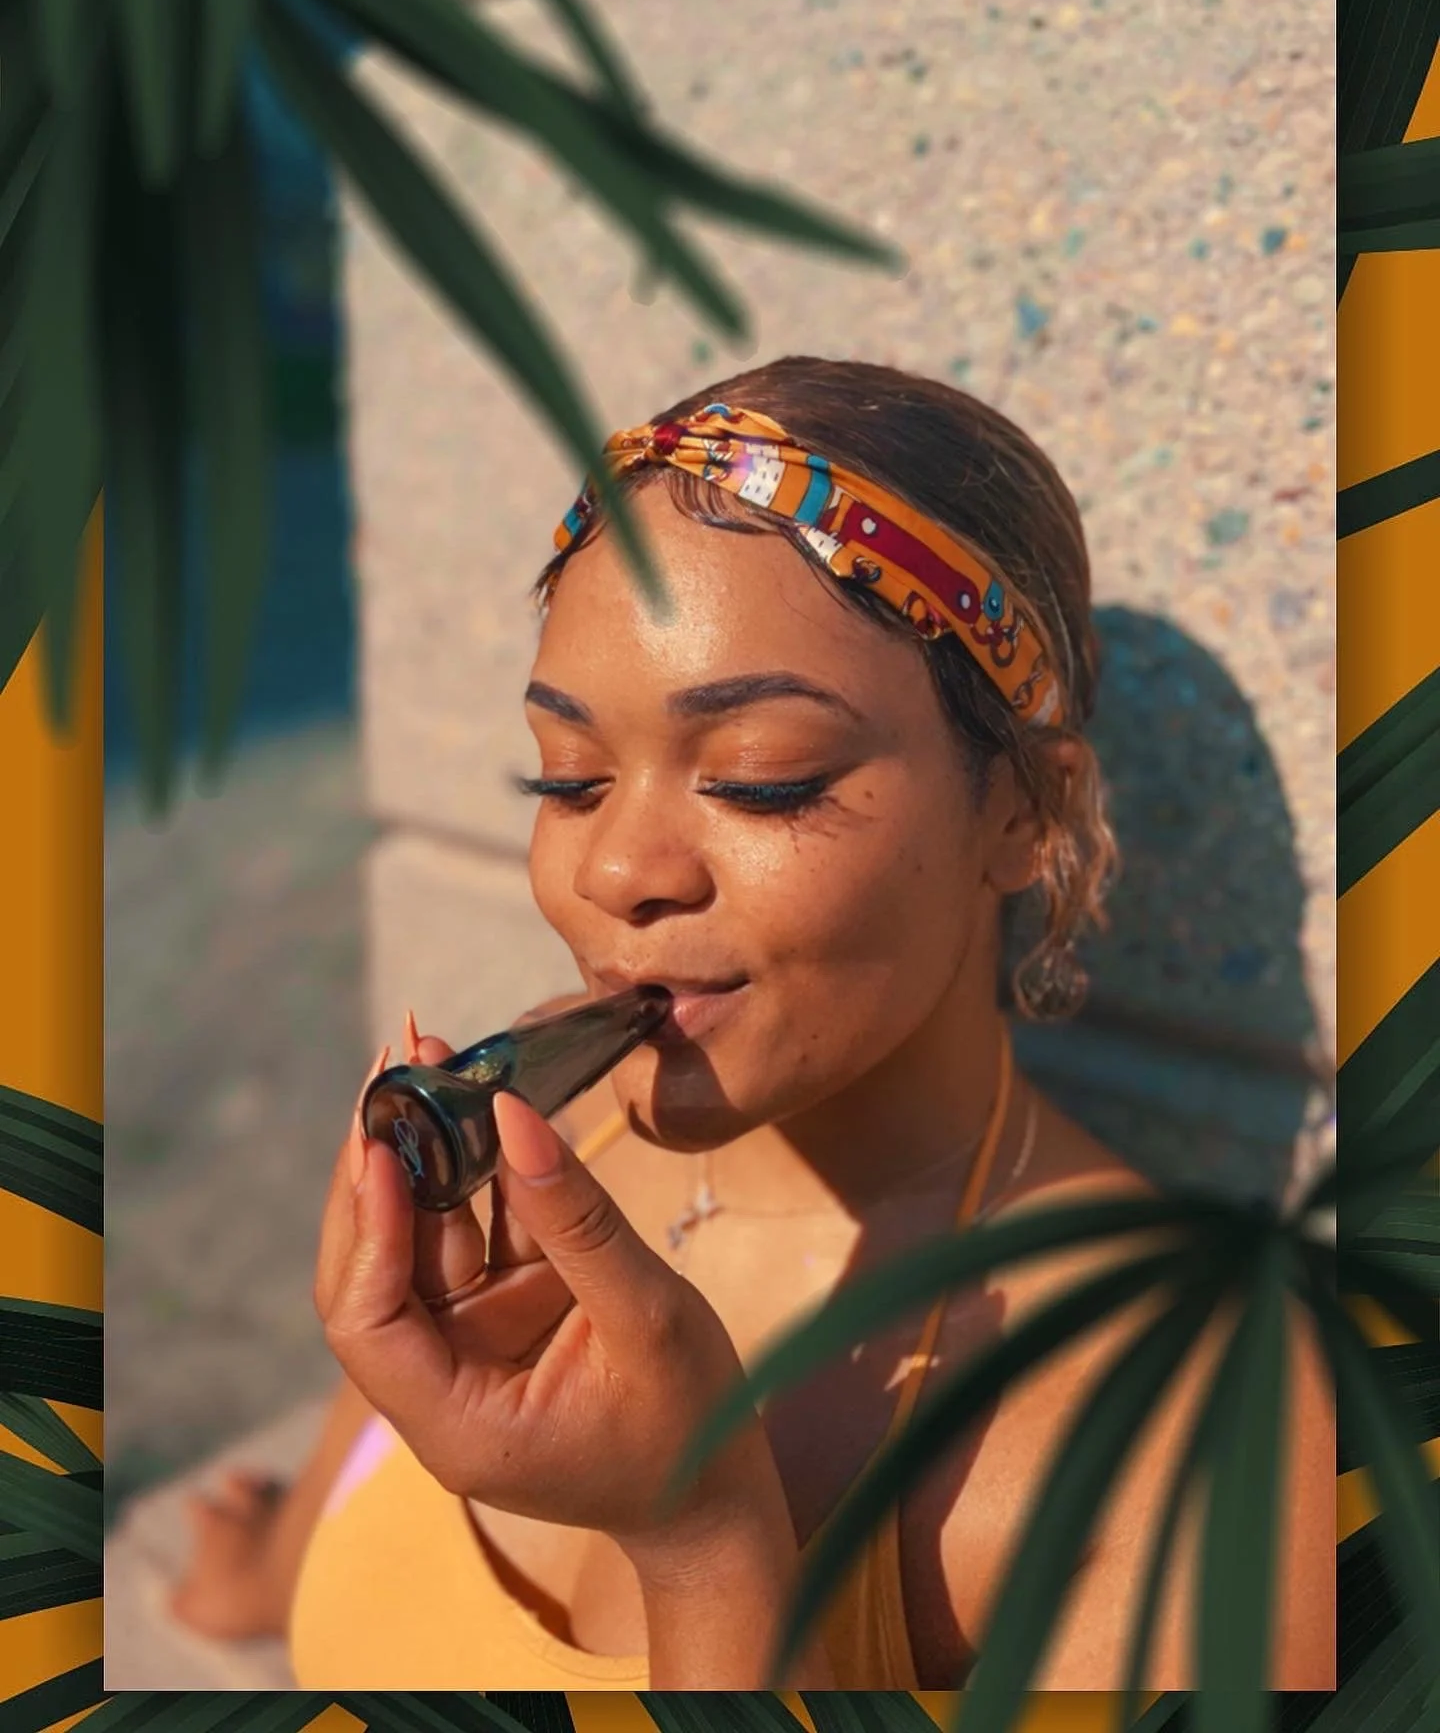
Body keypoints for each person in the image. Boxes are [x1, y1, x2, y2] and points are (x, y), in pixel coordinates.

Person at [169, 358, 1334, 1690]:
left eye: (760, 782)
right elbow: (372, 1483)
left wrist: (707, 1543)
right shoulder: (562, 1105)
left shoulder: (1192, 1411)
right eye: (570, 778)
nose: (617, 872)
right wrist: (278, 1573)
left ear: (1024, 812)